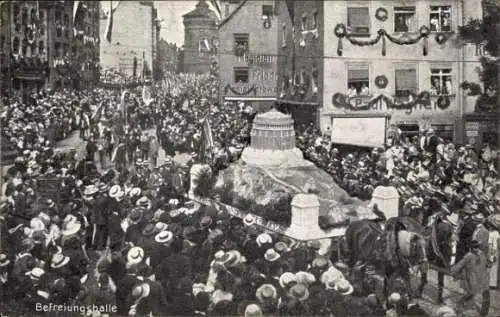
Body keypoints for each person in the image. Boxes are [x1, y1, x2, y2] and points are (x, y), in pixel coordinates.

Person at [450, 240, 490, 317]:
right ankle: (483, 313)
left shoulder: (469, 255)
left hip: (474, 280)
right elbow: (487, 263)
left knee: (470, 294)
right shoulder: (481, 253)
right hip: (482, 279)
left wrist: (453, 272)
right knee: (484, 296)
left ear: (470, 248)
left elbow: (459, 266)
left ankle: (458, 307)